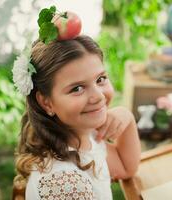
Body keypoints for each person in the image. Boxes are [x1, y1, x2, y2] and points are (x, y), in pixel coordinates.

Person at [12, 33, 141, 199]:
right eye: (77, 89)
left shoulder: (83, 135)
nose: (99, 96)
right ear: (47, 103)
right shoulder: (66, 183)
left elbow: (125, 167)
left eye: (100, 79)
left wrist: (127, 118)